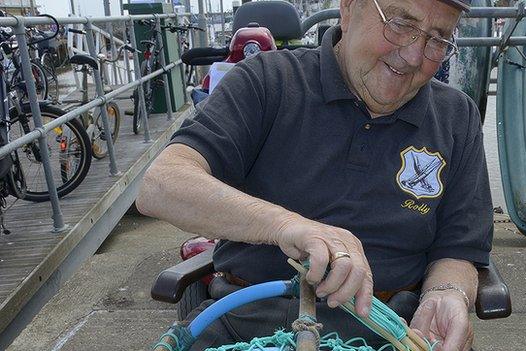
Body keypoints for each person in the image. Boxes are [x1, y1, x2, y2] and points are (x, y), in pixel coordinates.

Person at [137, 0, 493, 349]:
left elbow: (459, 249)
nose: (415, 55)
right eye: (401, 24)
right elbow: (160, 185)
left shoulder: (456, 116)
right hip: (244, 319)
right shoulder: (268, 80)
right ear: (349, 9)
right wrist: (285, 225)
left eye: (438, 39)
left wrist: (448, 293)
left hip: (391, 329)